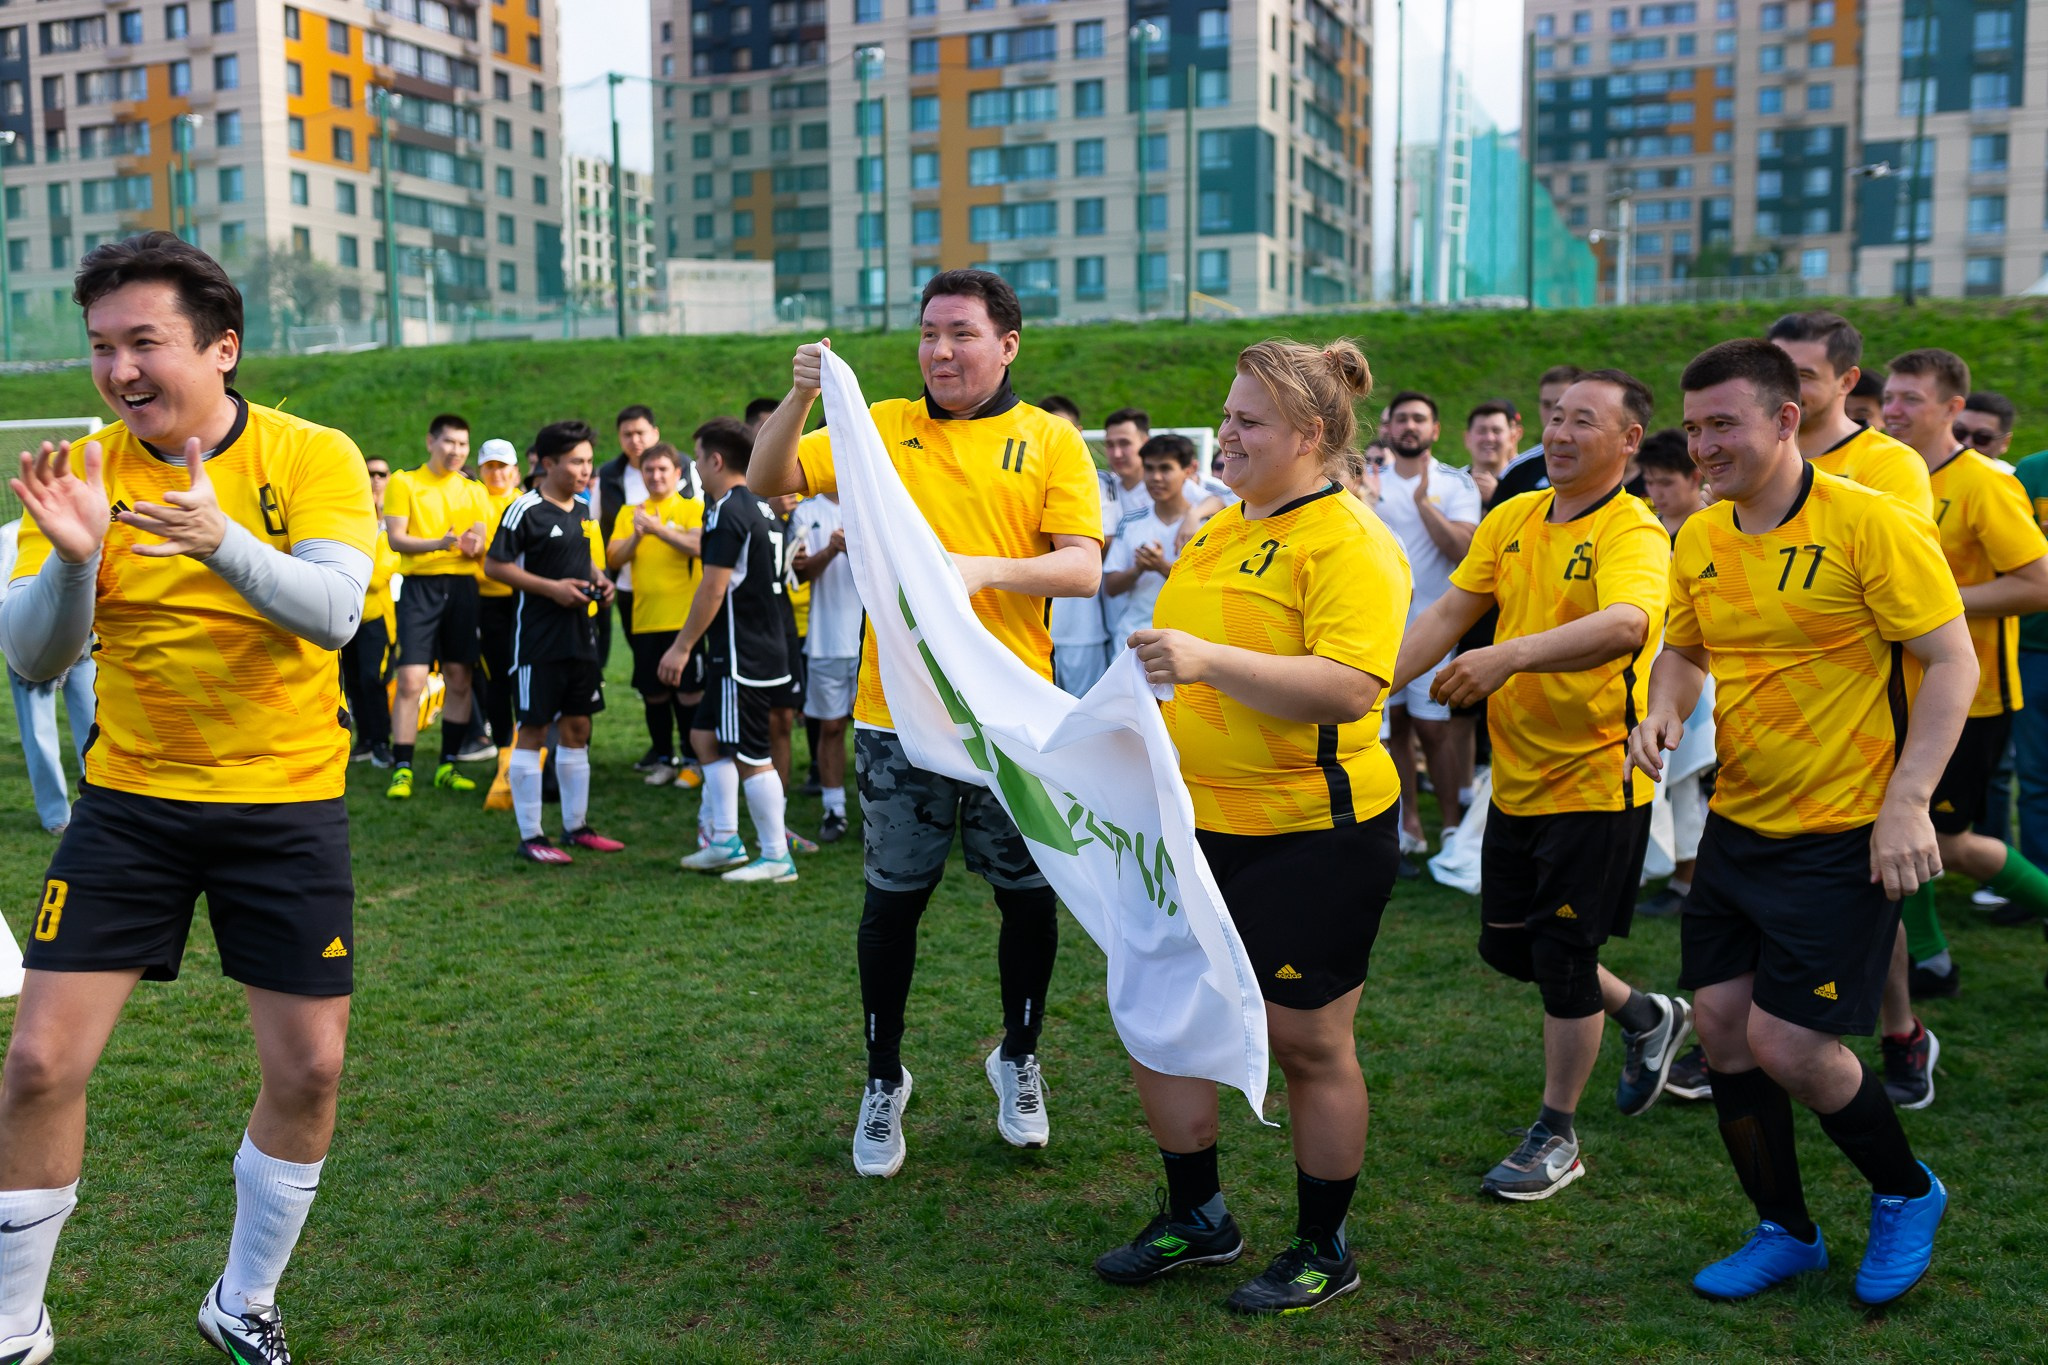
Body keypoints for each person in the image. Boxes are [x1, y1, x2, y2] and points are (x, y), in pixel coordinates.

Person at [0, 231, 375, 1363]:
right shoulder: (83, 473)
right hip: (132, 805)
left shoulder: (313, 455)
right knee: (37, 1065)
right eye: (103, 348)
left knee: (309, 1070)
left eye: (144, 342)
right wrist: (74, 562)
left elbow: (334, 612)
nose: (120, 371)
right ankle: (13, 1325)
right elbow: (31, 660)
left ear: (221, 347)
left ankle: (242, 1300)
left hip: (287, 805)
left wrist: (220, 542)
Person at [1632, 337, 1966, 1307]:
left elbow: (1950, 662)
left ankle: (1905, 1192)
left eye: (1721, 424)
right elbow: (1683, 649)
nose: (1701, 446)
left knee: (1787, 1047)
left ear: (1784, 419)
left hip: (1839, 831)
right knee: (1724, 1033)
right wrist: (1662, 705)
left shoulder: (1870, 522)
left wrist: (1904, 803)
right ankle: (1784, 1229)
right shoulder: (1698, 534)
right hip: (1738, 824)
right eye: (1692, 428)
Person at [747, 269, 1103, 1179]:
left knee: (1026, 897)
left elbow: (1081, 571)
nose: (941, 351)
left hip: (1005, 721)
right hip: (893, 717)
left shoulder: (1050, 442)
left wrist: (976, 572)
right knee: (891, 903)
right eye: (928, 333)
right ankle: (882, 1077)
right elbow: (767, 476)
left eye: (962, 334)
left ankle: (1018, 1057)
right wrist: (800, 395)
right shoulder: (884, 427)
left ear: (1008, 344)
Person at [1092, 338, 1406, 1316]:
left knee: (1305, 1042)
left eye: (1247, 421)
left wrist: (1203, 662)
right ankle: (1198, 1218)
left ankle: (1322, 1246)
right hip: (1190, 830)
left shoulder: (1351, 541)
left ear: (1310, 435)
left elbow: (1353, 688)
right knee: (1157, 1017)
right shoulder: (1222, 529)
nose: (1224, 434)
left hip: (1310, 832)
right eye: (1224, 416)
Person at [1392, 369, 1690, 1201]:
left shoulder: (1636, 529)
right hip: (1516, 775)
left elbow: (1630, 623)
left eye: (1582, 421)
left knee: (1562, 958)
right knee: (1509, 947)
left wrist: (1509, 654)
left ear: (1629, 442)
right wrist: (1371, 683)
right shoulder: (1515, 515)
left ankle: (1556, 1133)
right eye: (1554, 417)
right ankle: (1646, 1014)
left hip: (1600, 779)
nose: (1559, 433)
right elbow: (1452, 613)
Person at [1877, 350, 2048, 1066]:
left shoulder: (1982, 484)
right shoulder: (1880, 474)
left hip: (1971, 700)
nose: (1892, 410)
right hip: (1885, 694)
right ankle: (1932, 961)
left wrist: (1932, 609)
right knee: (1887, 833)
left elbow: (2037, 582)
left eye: (1911, 399)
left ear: (1954, 408)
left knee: (1941, 845)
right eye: (1888, 396)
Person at [661, 418, 799, 884]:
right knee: (705, 737)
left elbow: (714, 588)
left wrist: (681, 647)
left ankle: (777, 856)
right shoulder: (762, 507)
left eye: (698, 458)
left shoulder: (726, 510)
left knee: (749, 753)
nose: (696, 468)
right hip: (761, 645)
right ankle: (724, 840)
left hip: (743, 653)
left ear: (715, 461)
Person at [484, 420, 626, 864]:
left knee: (578, 729)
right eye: (577, 461)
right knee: (531, 731)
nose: (586, 470)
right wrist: (551, 589)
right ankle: (532, 836)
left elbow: (587, 564)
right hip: (537, 642)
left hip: (580, 639)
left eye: (588, 461)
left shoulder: (584, 511)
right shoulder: (524, 509)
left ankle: (576, 826)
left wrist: (602, 583)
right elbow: (494, 566)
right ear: (548, 464)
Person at [1372, 390, 1480, 856]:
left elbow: (1463, 549)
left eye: (1419, 419)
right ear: (1389, 428)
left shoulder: (1456, 484)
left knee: (1434, 729)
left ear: (1435, 430)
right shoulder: (1367, 480)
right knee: (1393, 727)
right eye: (1401, 420)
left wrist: (1423, 505)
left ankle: (1451, 825)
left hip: (1435, 628)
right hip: (1381, 628)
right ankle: (1408, 821)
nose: (1409, 427)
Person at [383, 413, 493, 798]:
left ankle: (448, 764)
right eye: (449, 442)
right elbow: (397, 540)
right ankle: (403, 767)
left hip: (463, 587)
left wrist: (472, 546)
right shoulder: (404, 481)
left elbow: (479, 541)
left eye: (463, 444)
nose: (456, 451)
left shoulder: (475, 490)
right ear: (431, 442)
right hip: (419, 588)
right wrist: (440, 543)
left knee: (460, 677)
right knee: (411, 679)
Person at [605, 442, 705, 788]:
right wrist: (637, 534)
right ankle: (665, 759)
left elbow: (698, 545)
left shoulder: (692, 507)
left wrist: (659, 529)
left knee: (689, 693)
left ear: (677, 474)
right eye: (649, 470)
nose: (656, 475)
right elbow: (614, 559)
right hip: (645, 619)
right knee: (654, 694)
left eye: (663, 469)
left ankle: (694, 762)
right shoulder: (629, 513)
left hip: (684, 620)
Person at [1765, 311, 1932, 516]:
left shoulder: (1889, 464)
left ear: (1846, 381)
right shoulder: (1751, 454)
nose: (1783, 386)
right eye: (1773, 373)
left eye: (1803, 376)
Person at [791, 487, 858, 843]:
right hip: (827, 638)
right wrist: (832, 549)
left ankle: (879, 807)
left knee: (877, 732)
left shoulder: (870, 495)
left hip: (875, 642)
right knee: (831, 726)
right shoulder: (805, 512)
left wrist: (859, 547)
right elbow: (801, 574)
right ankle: (834, 809)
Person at [1101, 434, 1193, 641]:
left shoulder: (1207, 524)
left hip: (1186, 639)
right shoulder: (1131, 522)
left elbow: (1208, 591)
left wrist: (1161, 566)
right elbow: (1111, 587)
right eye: (1149, 468)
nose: (1156, 477)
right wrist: (1138, 568)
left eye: (1165, 468)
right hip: (1132, 637)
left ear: (1189, 471)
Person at [341, 457, 399, 768]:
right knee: (353, 681)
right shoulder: (348, 520)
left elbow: (380, 576)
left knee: (372, 679)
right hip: (347, 615)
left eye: (381, 473)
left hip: (377, 618)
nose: (375, 479)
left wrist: (348, 575)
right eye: (369, 473)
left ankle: (381, 742)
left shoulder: (394, 525)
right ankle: (364, 740)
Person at [473, 438, 526, 766]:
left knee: (523, 669)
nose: (496, 473)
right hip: (487, 599)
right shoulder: (473, 501)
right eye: (490, 467)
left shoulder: (524, 503)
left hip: (522, 599)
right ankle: (504, 741)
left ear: (515, 471)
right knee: (497, 674)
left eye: (502, 466)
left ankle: (526, 738)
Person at [1491, 364, 1584, 504]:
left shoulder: (1604, 464)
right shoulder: (1518, 471)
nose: (1553, 413)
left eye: (1560, 404)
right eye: (1546, 405)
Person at [1464, 400, 1519, 508]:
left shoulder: (1528, 482)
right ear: (1468, 439)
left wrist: (1497, 497)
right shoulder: (1452, 484)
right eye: (1481, 431)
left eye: (1496, 431)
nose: (1489, 438)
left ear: (1512, 438)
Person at [1956, 391, 2016, 464]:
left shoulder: (2008, 475)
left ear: (2005, 442)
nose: (1967, 444)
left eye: (1982, 438)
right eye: (1959, 433)